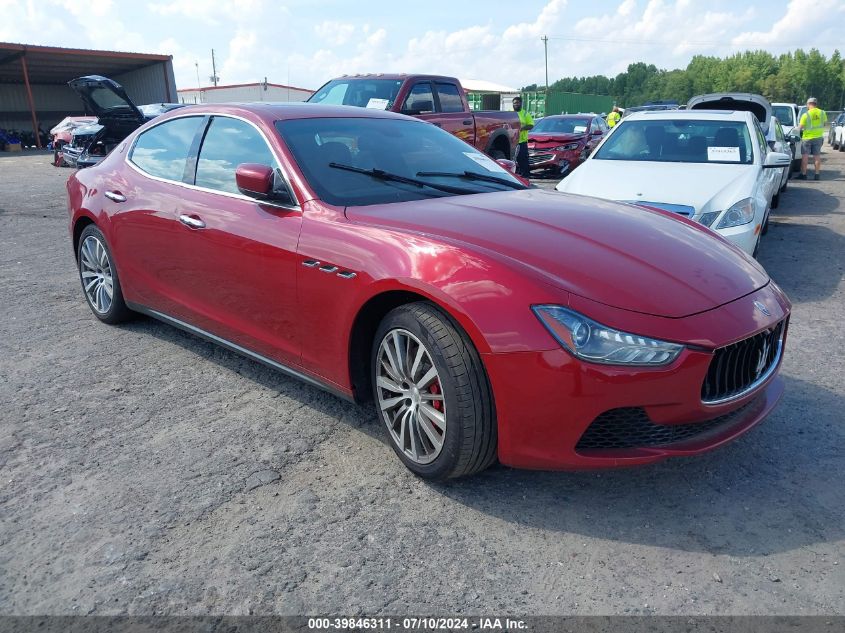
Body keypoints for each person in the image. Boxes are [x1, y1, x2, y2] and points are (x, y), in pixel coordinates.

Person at [797, 97, 827, 180]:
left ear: (808, 104)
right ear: (816, 104)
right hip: (818, 137)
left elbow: (800, 127)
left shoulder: (806, 115)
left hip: (807, 138)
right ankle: (817, 174)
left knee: (805, 157)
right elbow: (824, 124)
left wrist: (796, 129)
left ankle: (804, 174)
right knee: (817, 156)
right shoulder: (822, 113)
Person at [512, 96, 534, 178]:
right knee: (512, 160)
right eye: (514, 103)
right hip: (512, 141)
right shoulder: (510, 113)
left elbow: (531, 125)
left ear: (521, 103)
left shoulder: (525, 114)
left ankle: (525, 177)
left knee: (523, 160)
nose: (515, 104)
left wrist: (522, 128)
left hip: (522, 141)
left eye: (517, 103)